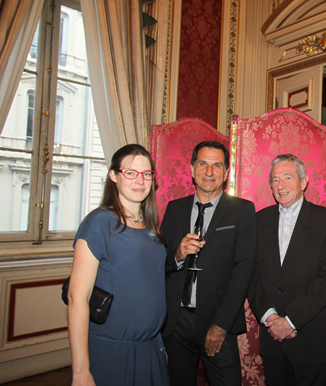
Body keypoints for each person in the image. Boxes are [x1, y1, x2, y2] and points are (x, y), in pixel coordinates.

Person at [67, 144, 169, 386]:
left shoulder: (151, 226)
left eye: (147, 174)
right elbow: (76, 298)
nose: (140, 181)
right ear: (113, 176)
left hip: (150, 347)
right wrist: (81, 370)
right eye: (130, 173)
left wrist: (159, 344)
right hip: (111, 349)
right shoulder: (100, 223)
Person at [161, 141, 257, 386]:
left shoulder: (242, 211)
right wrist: (177, 256)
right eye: (203, 164)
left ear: (226, 173)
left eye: (217, 166)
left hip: (216, 321)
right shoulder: (174, 209)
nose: (209, 172)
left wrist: (221, 324)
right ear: (192, 169)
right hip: (176, 323)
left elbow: (243, 272)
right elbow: (158, 262)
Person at [247, 154, 326, 386]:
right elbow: (252, 274)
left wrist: (290, 321)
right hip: (272, 339)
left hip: (311, 338)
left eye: (287, 177)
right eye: (275, 180)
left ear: (304, 181)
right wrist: (271, 318)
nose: (281, 185)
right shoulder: (258, 220)